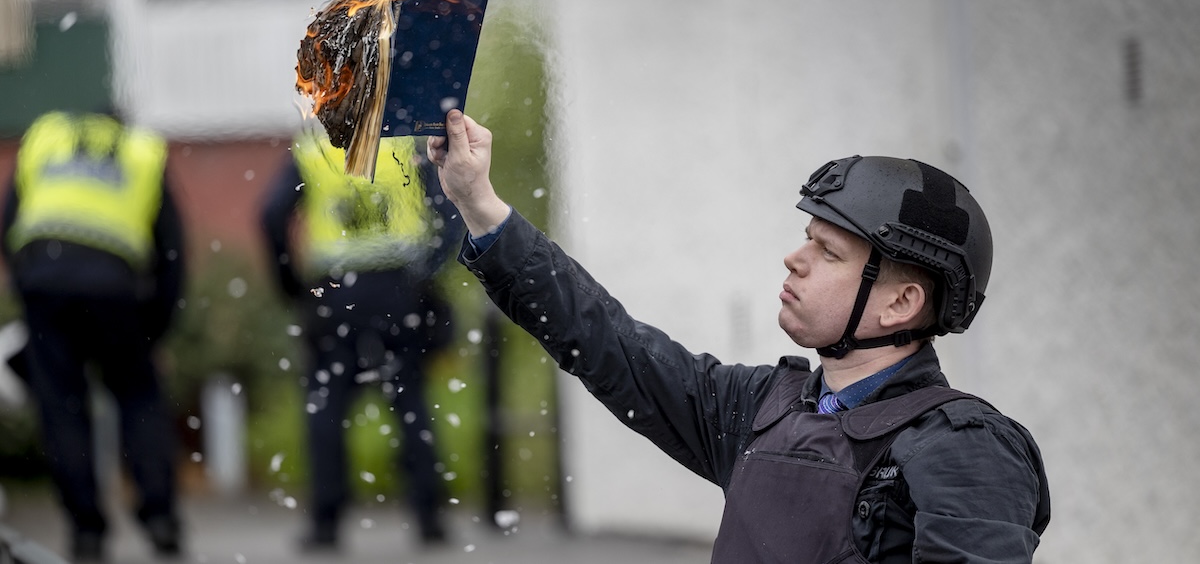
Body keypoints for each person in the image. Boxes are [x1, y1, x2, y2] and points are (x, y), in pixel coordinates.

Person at [426, 110, 1051, 563]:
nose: (794, 259)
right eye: (806, 238)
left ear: (901, 302)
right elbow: (605, 340)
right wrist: (477, 201)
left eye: (827, 252)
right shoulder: (758, 408)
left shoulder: (967, 446)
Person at [259, 129, 463, 552]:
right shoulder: (404, 146)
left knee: (326, 407)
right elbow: (450, 212)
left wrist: (293, 287)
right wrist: (426, 274)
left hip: (336, 295)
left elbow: (272, 214)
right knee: (411, 403)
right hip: (399, 290)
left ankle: (326, 524)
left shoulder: (314, 150)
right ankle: (430, 519)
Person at [0, 110, 186, 562]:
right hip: (115, 287)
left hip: (45, 279)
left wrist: (29, 289)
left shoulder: (45, 138)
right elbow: (172, 254)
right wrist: (154, 332)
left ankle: (86, 530)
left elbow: (9, 225)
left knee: (62, 406)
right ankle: (159, 517)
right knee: (137, 394)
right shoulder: (141, 152)